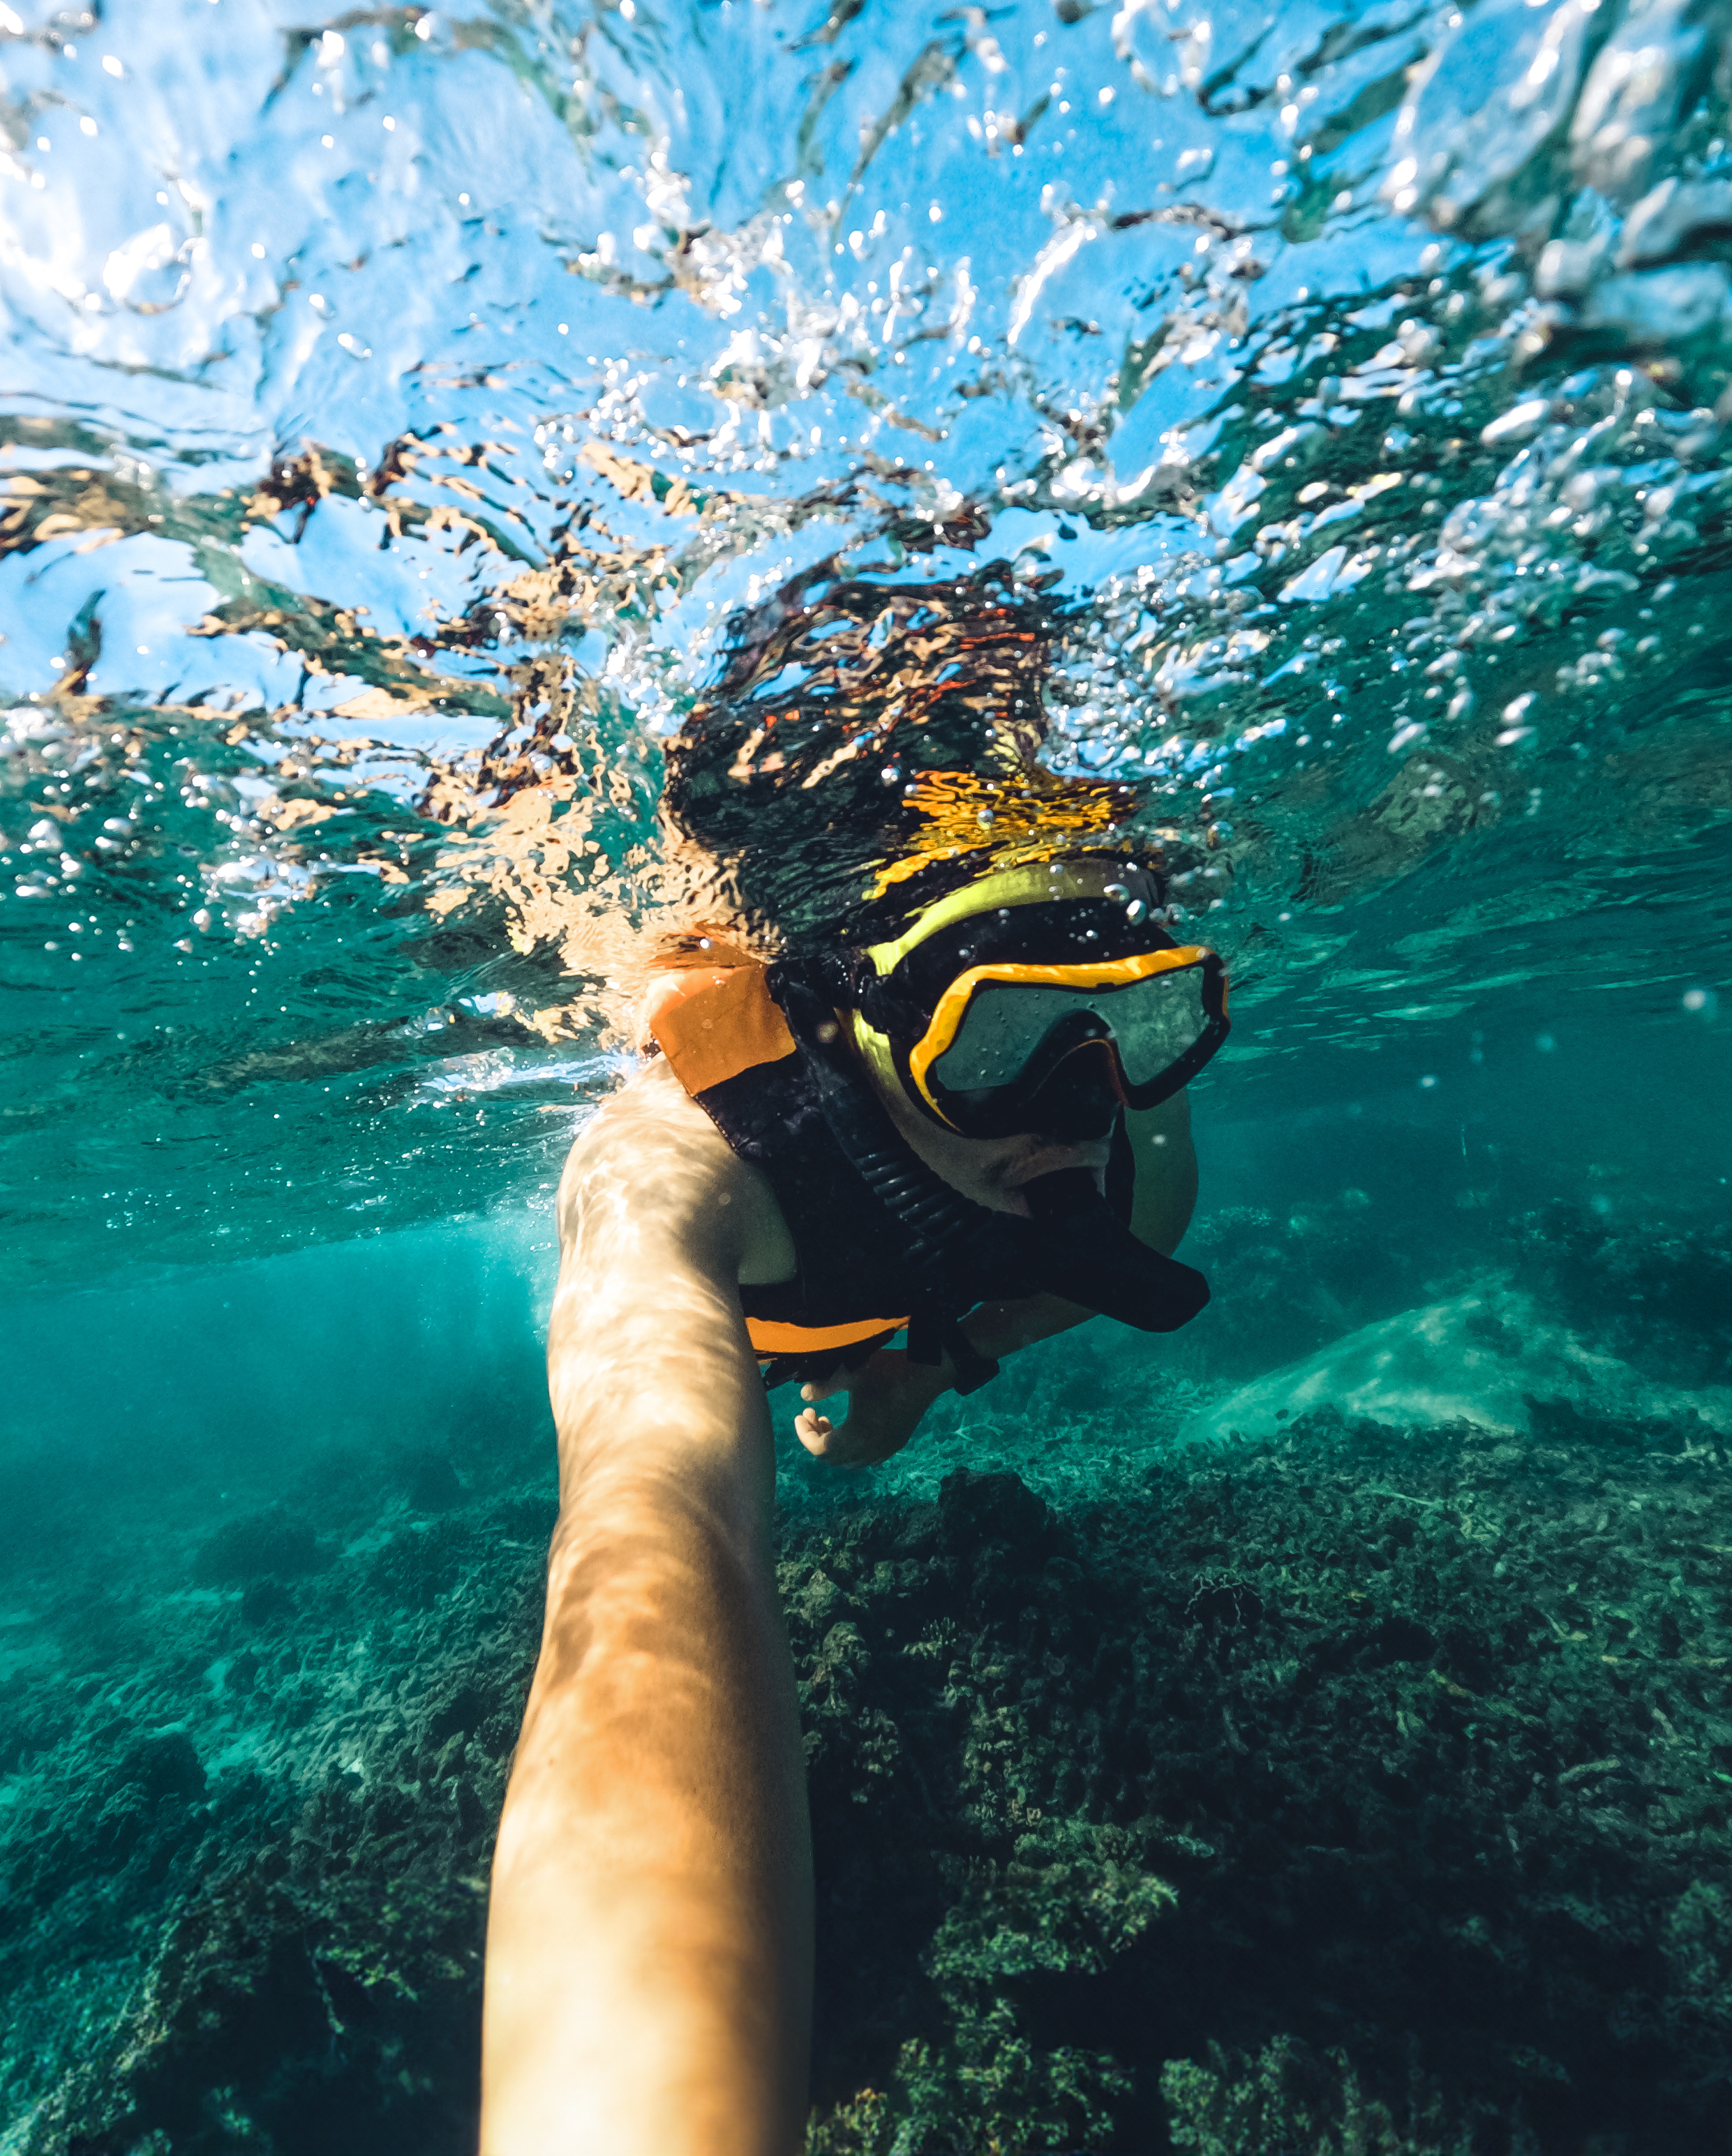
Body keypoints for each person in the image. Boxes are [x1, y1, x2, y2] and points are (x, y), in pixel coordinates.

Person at [475, 567, 1234, 2155]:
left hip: (881, 1333)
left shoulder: (1103, 1123)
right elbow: (658, 1516)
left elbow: (1128, 1231)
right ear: (864, 1023)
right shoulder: (686, 1160)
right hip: (770, 1326)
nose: (1076, 1106)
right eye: (998, 1041)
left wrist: (930, 1366)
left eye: (1134, 1028)